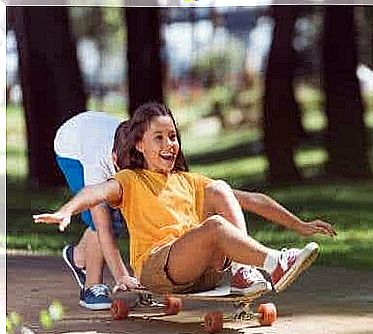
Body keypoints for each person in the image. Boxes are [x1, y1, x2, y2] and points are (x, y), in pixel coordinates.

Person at [37, 102, 336, 297]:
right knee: (101, 219)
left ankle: (242, 271)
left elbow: (251, 199)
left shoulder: (184, 180)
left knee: (220, 189)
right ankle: (91, 283)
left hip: (195, 270)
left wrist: (301, 225)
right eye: (159, 138)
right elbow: (94, 196)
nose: (170, 145)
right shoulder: (126, 178)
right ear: (139, 146)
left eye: (173, 137)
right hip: (157, 268)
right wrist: (67, 211)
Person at [53, 111, 135, 310]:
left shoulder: (147, 159)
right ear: (115, 160)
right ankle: (91, 286)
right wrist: (122, 277)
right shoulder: (98, 163)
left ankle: (78, 257)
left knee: (123, 216)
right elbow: (103, 227)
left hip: (95, 130)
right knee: (105, 219)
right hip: (71, 146)